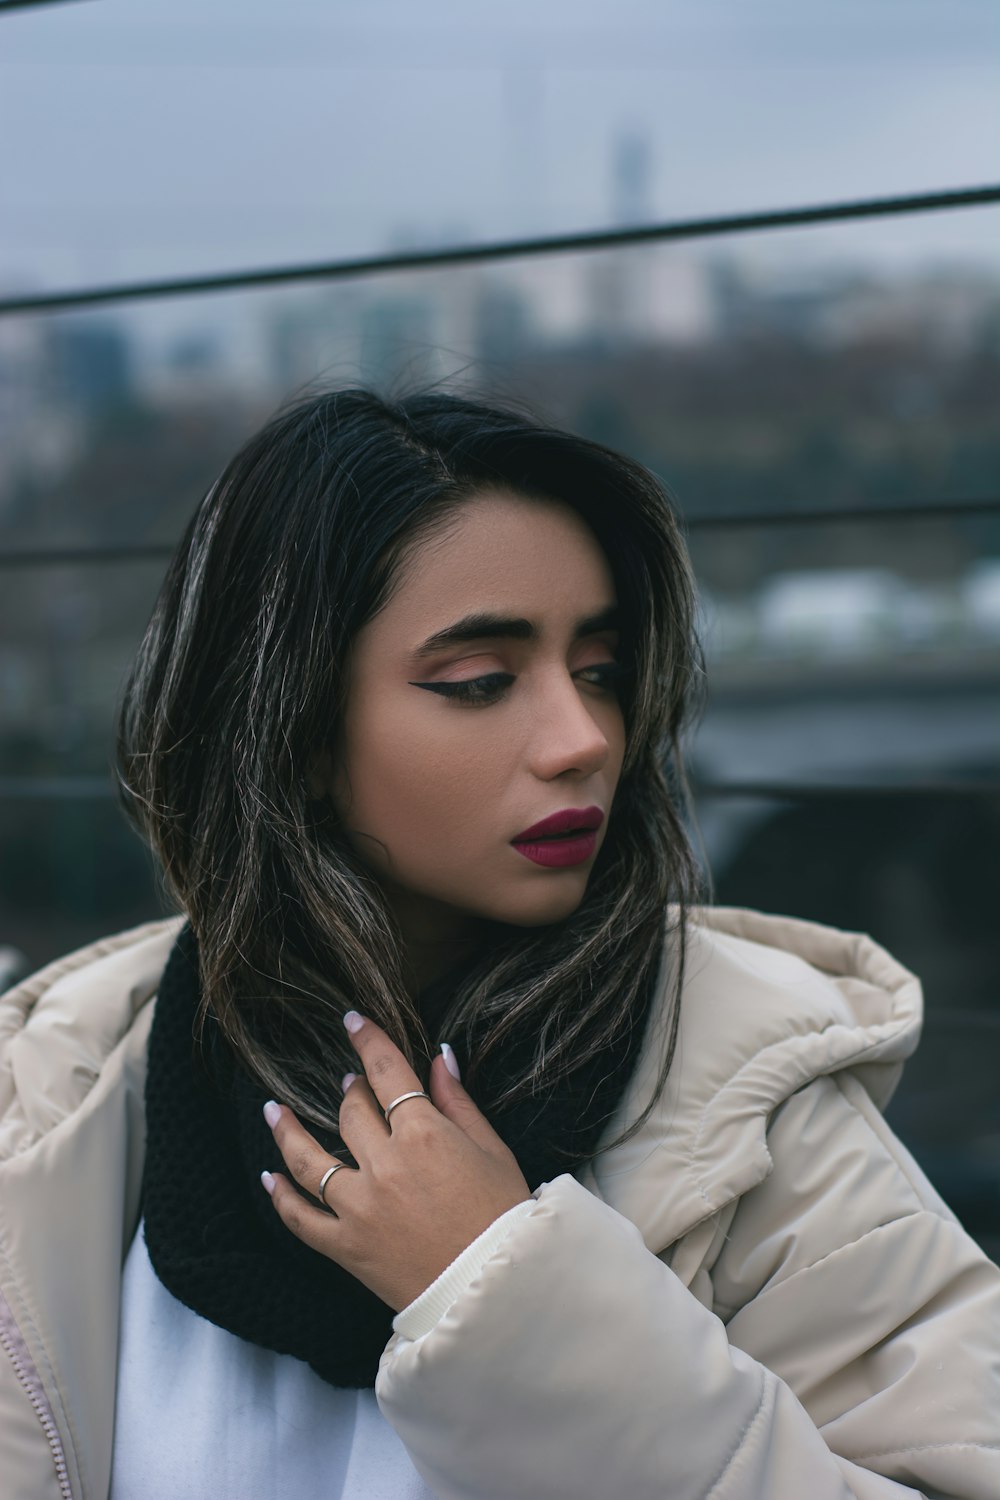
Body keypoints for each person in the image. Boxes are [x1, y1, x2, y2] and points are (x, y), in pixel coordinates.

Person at [1, 387, 998, 1500]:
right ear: (287, 726)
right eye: (479, 683)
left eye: (601, 673)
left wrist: (502, 1292)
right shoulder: (54, 1103)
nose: (585, 742)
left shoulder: (756, 1096)